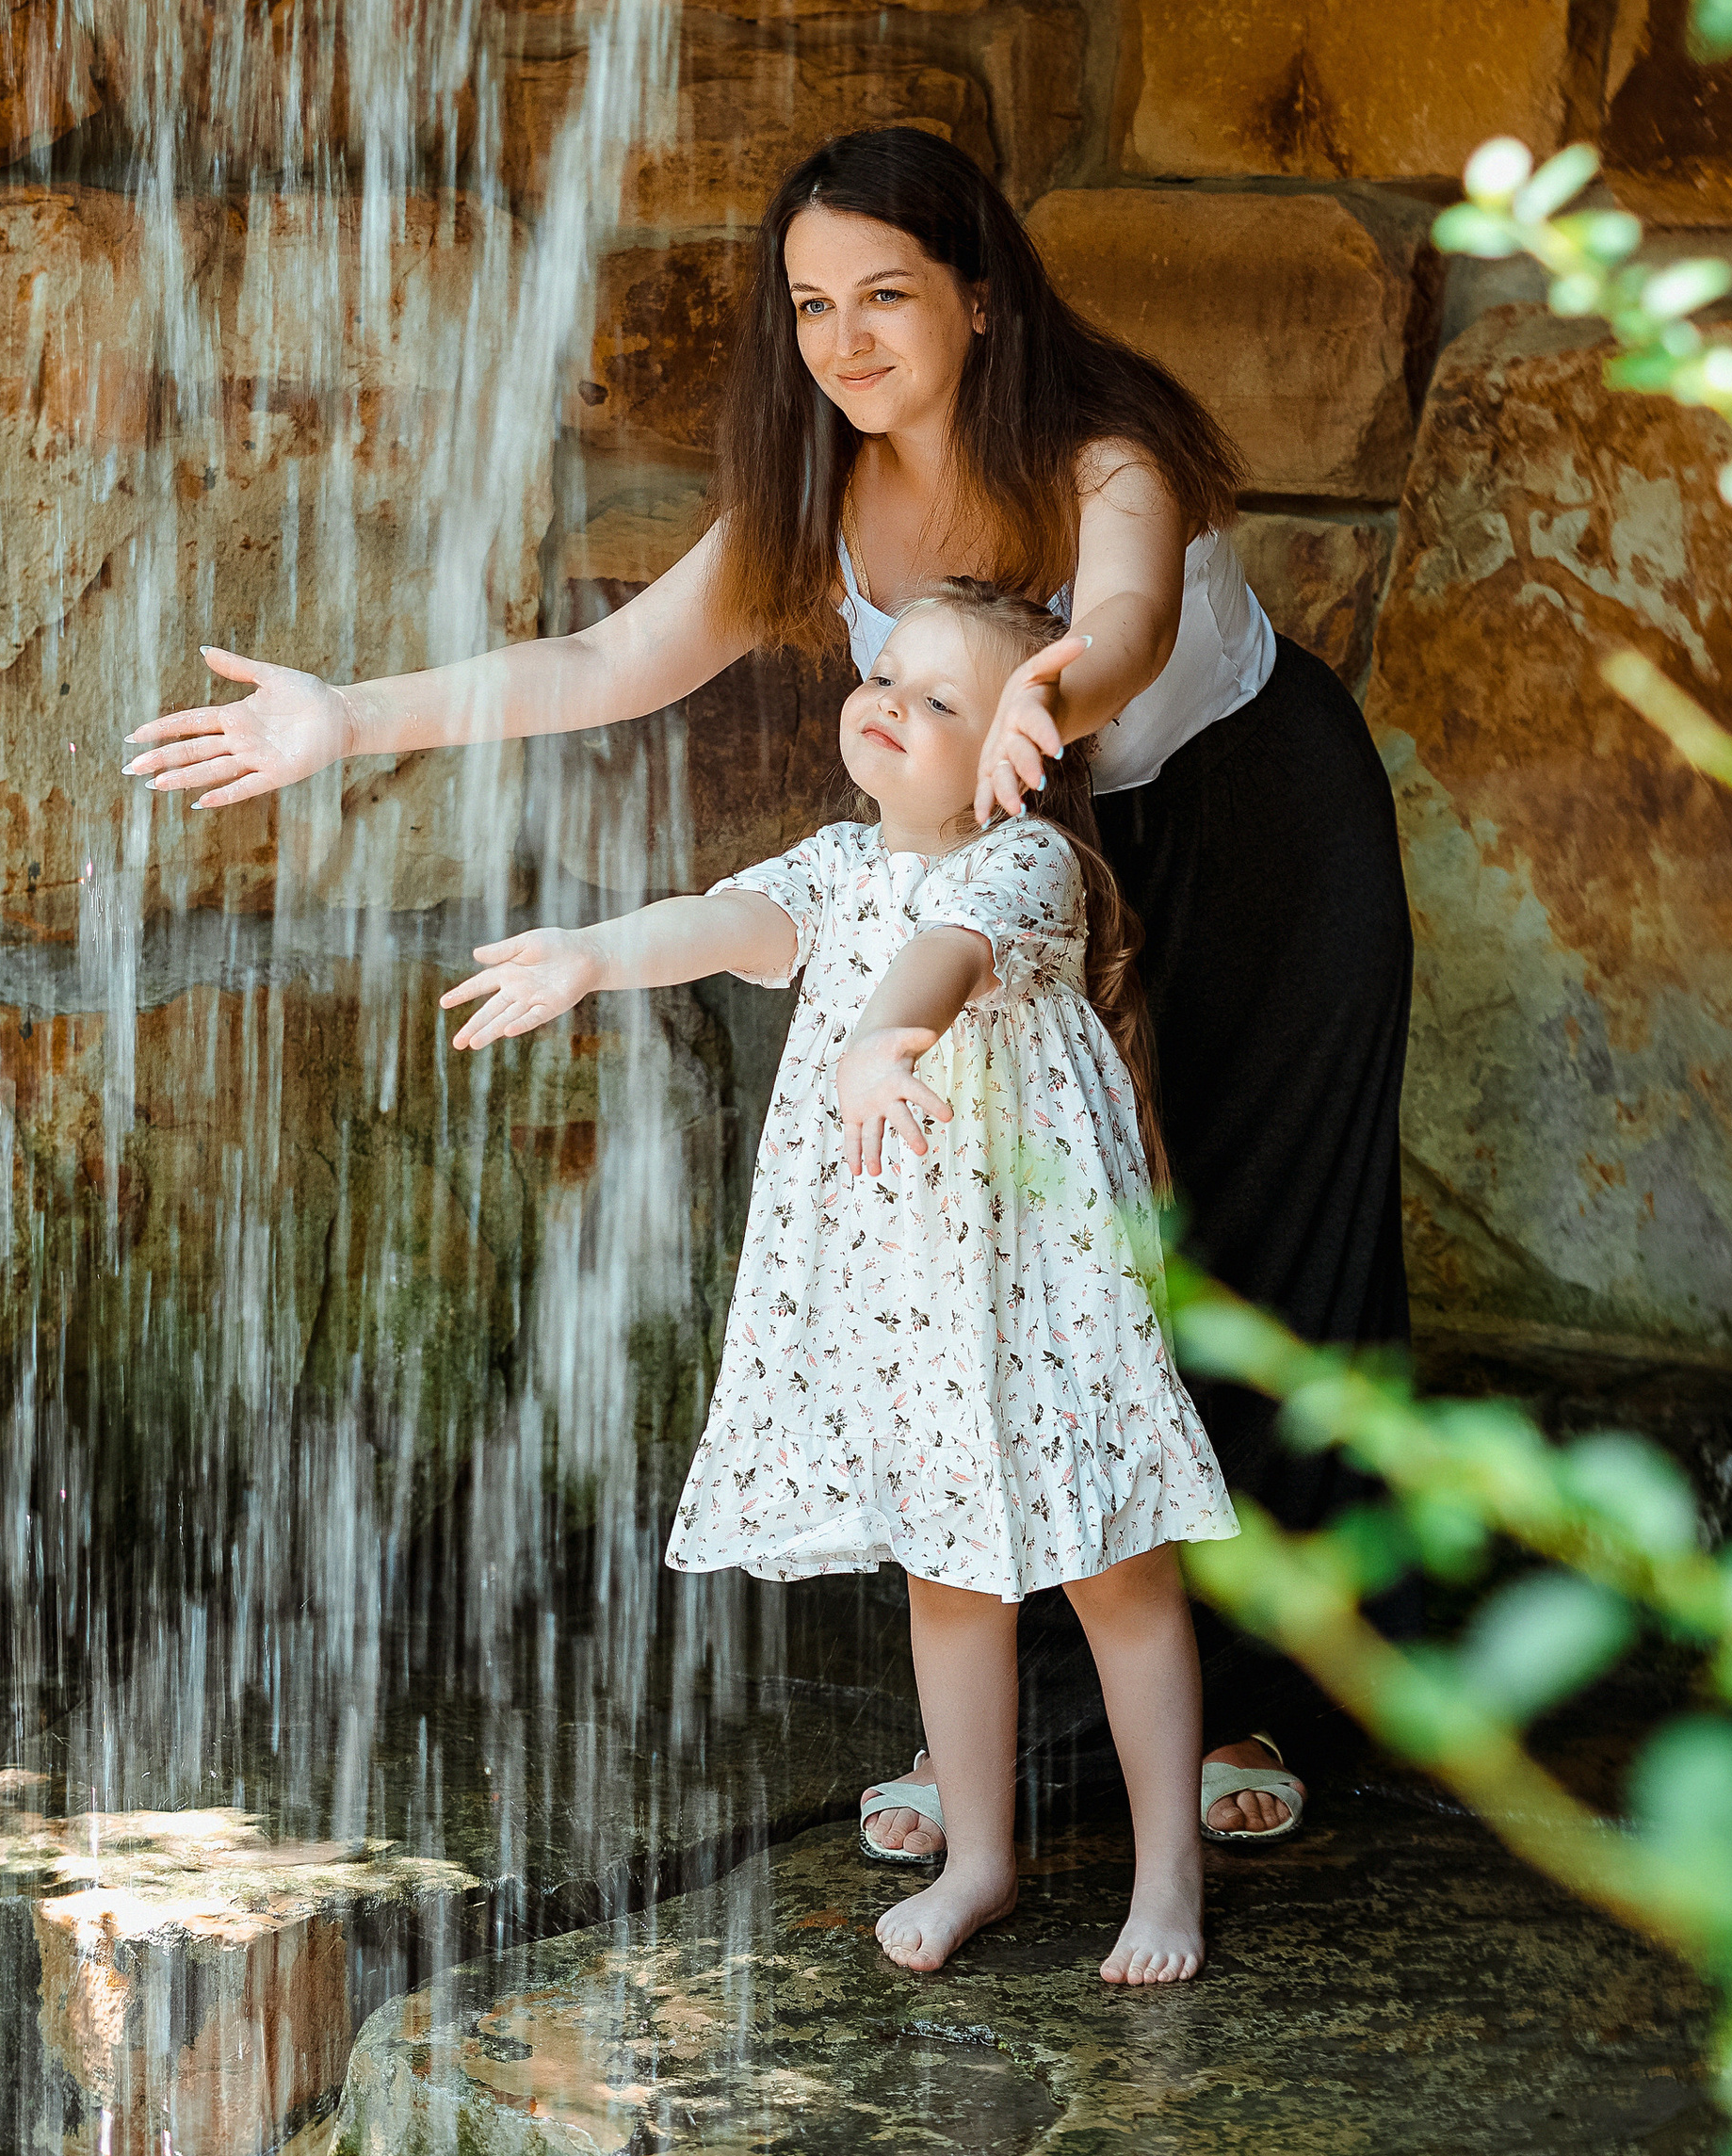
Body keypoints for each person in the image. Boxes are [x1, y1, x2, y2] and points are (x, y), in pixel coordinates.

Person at [124, 122, 1413, 1847]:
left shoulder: (1105, 456)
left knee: (1246, 1250)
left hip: (1253, 840)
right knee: (1007, 1274)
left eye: (886, 294)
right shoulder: (819, 499)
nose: (847, 339)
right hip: (1003, 875)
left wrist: (1047, 692)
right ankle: (1006, 1752)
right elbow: (606, 662)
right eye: (811, 304)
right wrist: (346, 719)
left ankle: (1254, 1708)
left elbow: (1123, 627)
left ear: (981, 297)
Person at [443, 582, 1236, 1981]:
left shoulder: (1027, 867)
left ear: (1019, 754)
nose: (893, 705)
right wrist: (593, 957)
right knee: (946, 1573)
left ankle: (1166, 1878)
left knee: (1118, 1565)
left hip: (1046, 1295)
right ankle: (982, 1856)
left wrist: (882, 1044)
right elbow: (723, 921)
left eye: (943, 702)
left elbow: (944, 959)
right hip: (912, 1302)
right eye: (890, 676)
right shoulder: (834, 866)